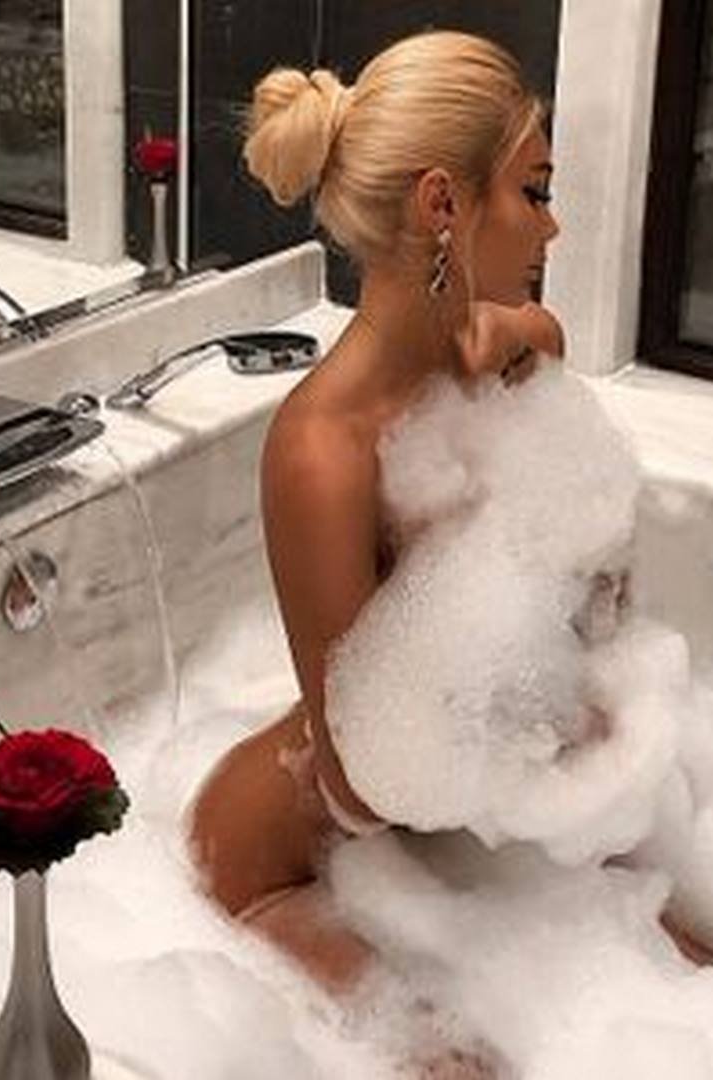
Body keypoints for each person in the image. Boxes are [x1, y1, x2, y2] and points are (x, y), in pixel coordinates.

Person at [188, 29, 567, 1002]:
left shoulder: (502, 349)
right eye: (532, 192)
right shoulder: (323, 448)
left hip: (425, 829)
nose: (551, 228)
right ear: (443, 204)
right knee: (464, 1058)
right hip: (278, 862)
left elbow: (543, 350)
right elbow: (364, 780)